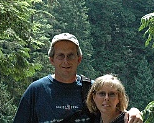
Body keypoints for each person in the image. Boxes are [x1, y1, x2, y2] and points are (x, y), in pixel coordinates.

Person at [13, 33, 143, 123]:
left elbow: (113, 109)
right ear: (51, 60)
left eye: (70, 56)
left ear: (79, 59)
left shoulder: (91, 89)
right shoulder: (36, 90)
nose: (66, 61)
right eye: (60, 56)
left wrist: (133, 111)